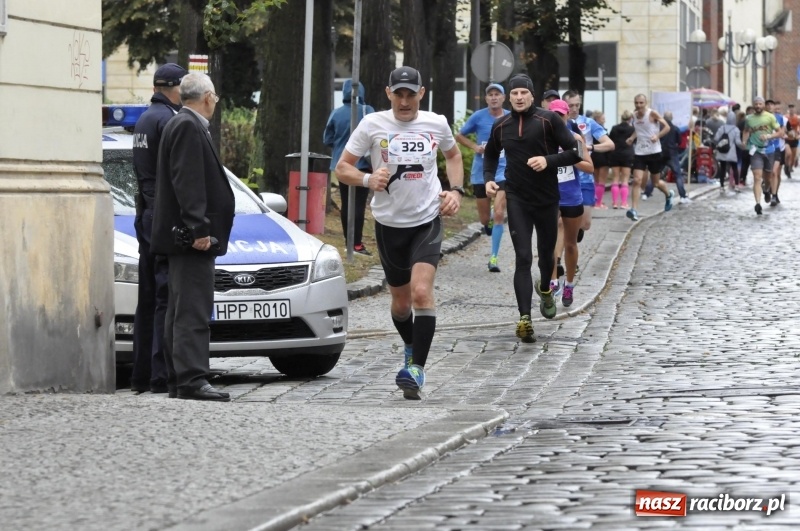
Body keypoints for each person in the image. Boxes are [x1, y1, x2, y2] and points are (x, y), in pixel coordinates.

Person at [335, 66, 465, 400]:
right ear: (388, 92)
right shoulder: (372, 124)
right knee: (401, 305)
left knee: (421, 292)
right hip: (389, 224)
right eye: (399, 94)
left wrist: (456, 191)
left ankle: (416, 369)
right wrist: (366, 180)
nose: (405, 101)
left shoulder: (436, 123)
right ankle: (411, 343)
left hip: (426, 220)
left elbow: (452, 156)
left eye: (411, 94)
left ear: (422, 94)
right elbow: (342, 167)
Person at [151, 73, 235, 401]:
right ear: (208, 97)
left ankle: (179, 378)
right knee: (192, 309)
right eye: (215, 98)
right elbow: (188, 181)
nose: (215, 102)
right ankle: (191, 378)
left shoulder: (181, 122)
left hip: (181, 235)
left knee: (180, 306)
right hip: (191, 237)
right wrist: (199, 229)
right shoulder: (188, 125)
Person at [483, 74, 581, 343]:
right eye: (513, 93)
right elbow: (490, 153)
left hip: (548, 199)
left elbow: (576, 152)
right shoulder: (501, 125)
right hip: (517, 198)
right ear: (508, 97)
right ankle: (524, 318)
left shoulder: (548, 120)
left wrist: (548, 160)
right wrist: (490, 178)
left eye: (523, 93)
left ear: (531, 96)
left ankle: (546, 290)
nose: (518, 97)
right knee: (523, 257)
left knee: (545, 257)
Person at [130, 63, 188, 395]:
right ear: (176, 88)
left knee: (148, 298)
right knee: (166, 297)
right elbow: (176, 176)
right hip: (162, 216)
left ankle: (141, 375)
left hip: (146, 214)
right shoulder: (169, 120)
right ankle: (160, 374)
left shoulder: (145, 118)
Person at [455, 83, 510, 272]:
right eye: (490, 95)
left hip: (504, 170)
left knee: (500, 213)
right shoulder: (478, 117)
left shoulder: (511, 116)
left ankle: (493, 258)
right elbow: (459, 135)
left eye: (497, 94)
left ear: (504, 98)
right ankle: (488, 224)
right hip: (482, 171)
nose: (494, 97)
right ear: (486, 99)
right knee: (485, 218)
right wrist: (475, 147)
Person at [548, 99, 592, 308]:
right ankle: (553, 281)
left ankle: (570, 284)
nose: (557, 119)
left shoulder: (575, 139)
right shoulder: (541, 138)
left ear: (567, 116)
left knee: (570, 243)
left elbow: (590, 168)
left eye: (561, 115)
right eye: (553, 115)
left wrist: (571, 157)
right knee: (547, 243)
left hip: (571, 197)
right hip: (548, 197)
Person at [323, 79, 375, 256]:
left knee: (346, 204)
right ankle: (357, 245)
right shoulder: (368, 112)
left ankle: (349, 242)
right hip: (363, 166)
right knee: (359, 205)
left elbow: (327, 139)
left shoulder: (335, 114)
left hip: (341, 166)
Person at [563, 90, 613, 235]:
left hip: (585, 178)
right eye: (570, 105)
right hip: (564, 179)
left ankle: (574, 233)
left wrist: (589, 147)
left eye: (577, 105)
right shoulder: (558, 122)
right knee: (561, 222)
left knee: (585, 224)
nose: (574, 109)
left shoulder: (588, 123)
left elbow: (609, 144)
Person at [625, 94, 673, 221]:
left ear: (645, 103)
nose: (639, 105)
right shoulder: (634, 115)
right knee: (636, 180)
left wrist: (657, 136)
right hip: (640, 152)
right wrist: (632, 138)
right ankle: (634, 210)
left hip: (654, 152)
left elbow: (667, 127)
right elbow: (639, 129)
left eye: (641, 103)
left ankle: (668, 194)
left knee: (656, 183)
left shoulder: (652, 114)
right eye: (636, 103)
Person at [742, 96, 781, 215]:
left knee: (768, 178)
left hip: (769, 150)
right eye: (756, 104)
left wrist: (769, 136)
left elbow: (780, 132)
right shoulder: (749, 118)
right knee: (757, 177)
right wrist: (744, 141)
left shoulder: (770, 117)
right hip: (756, 151)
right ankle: (758, 204)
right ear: (753, 105)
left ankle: (766, 189)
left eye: (760, 104)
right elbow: (746, 131)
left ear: (763, 105)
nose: (758, 106)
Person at [659, 111, 689, 203]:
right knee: (678, 175)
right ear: (672, 118)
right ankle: (683, 196)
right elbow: (679, 142)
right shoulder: (675, 129)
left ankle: (646, 193)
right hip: (672, 153)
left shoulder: (659, 128)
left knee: (655, 174)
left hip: (661, 153)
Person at [607, 110, 635, 209]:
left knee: (615, 178)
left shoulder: (614, 128)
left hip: (615, 154)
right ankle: (623, 203)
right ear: (630, 118)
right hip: (627, 155)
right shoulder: (632, 129)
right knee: (625, 179)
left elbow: (610, 140)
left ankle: (614, 203)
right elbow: (634, 141)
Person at [713, 110, 744, 193]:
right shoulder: (736, 129)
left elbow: (716, 138)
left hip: (722, 151)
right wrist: (743, 145)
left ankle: (722, 186)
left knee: (722, 168)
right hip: (731, 152)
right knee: (734, 168)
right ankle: (736, 185)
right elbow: (737, 142)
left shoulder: (722, 128)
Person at [765, 99, 786, 205]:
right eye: (767, 104)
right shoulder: (761, 117)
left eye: (771, 104)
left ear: (774, 106)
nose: (769, 106)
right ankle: (767, 188)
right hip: (764, 149)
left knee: (774, 172)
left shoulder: (780, 118)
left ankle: (774, 195)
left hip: (776, 148)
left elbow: (782, 132)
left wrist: (780, 134)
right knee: (767, 174)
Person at [589, 110, 611, 208]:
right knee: (601, 181)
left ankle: (594, 201)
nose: (605, 119)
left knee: (595, 180)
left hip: (593, 156)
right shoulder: (602, 130)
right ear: (598, 119)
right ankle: (598, 203)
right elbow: (609, 146)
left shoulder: (590, 129)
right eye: (603, 118)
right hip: (602, 156)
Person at [784, 104, 799, 177]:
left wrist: (798, 136)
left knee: (793, 157)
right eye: (790, 109)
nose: (791, 110)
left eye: (793, 108)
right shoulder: (785, 117)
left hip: (794, 139)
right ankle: (786, 167)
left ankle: (789, 167)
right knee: (788, 154)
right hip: (787, 139)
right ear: (788, 109)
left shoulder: (797, 118)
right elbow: (783, 127)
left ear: (795, 109)